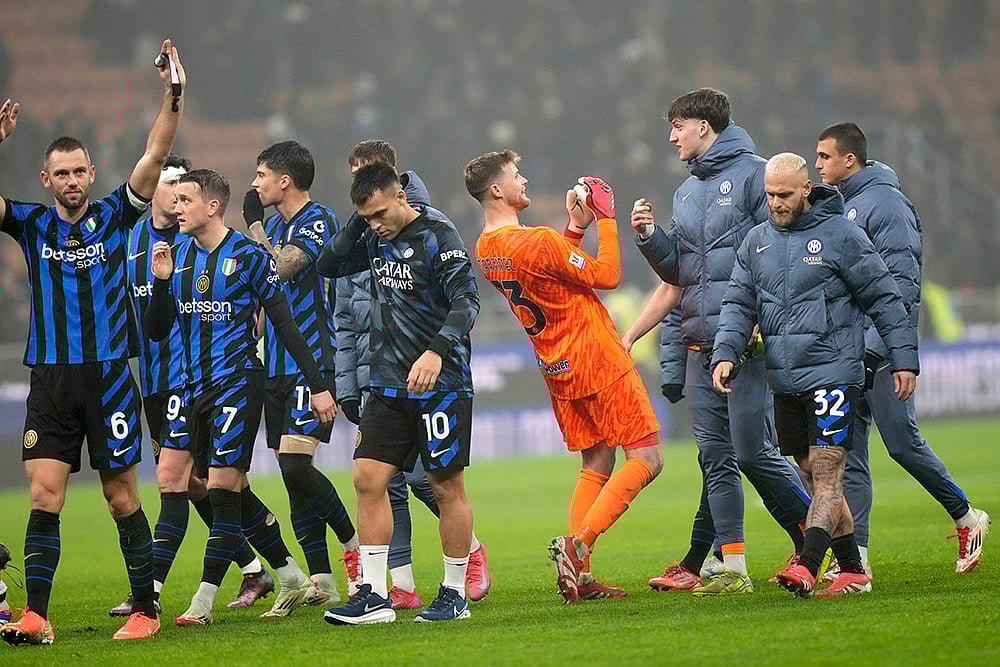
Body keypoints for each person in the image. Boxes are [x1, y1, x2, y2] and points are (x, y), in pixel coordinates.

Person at [0, 39, 185, 645]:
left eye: (81, 171)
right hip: (51, 378)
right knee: (44, 493)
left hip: (108, 377)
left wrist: (172, 95)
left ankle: (146, 611)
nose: (73, 181)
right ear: (45, 179)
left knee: (119, 493)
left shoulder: (116, 214)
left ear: (92, 174)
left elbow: (156, 155)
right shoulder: (29, 223)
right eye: (62, 173)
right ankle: (36, 615)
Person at [711, 153, 918, 598]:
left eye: (784, 195)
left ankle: (807, 564)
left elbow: (884, 297)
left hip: (834, 375)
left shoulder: (842, 235)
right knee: (808, 472)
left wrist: (902, 357)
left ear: (806, 190)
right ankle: (853, 571)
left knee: (827, 473)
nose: (776, 204)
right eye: (769, 195)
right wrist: (725, 352)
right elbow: (737, 304)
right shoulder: (756, 242)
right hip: (786, 379)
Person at [631, 88, 810, 595]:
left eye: (677, 126)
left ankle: (825, 541)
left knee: (754, 453)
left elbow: (777, 254)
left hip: (746, 343)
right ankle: (732, 568)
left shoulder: (757, 175)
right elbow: (680, 273)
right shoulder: (686, 192)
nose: (671, 137)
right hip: (698, 345)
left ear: (702, 128)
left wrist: (755, 322)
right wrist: (649, 238)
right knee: (714, 459)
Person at [467, 150, 663, 603]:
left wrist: (575, 229)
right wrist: (606, 218)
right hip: (595, 354)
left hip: (556, 366)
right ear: (497, 190)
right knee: (648, 459)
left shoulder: (486, 248)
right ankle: (578, 546)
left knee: (596, 462)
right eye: (516, 176)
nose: (524, 180)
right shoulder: (534, 238)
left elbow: (551, 271)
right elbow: (607, 275)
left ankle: (583, 575)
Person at [144, 169, 336, 625]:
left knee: (223, 487)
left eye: (186, 200)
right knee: (179, 479)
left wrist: (318, 383)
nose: (177, 208)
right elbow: (155, 330)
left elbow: (284, 324)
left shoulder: (249, 256)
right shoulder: (181, 258)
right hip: (188, 388)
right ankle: (288, 574)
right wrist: (162, 282)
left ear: (212, 206)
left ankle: (203, 601)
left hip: (236, 384)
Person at [815, 123, 989, 578]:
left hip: (882, 352)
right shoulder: (842, 205)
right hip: (848, 355)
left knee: (902, 445)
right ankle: (858, 559)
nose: (817, 165)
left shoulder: (886, 204)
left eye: (824, 157)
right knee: (847, 455)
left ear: (849, 159)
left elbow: (901, 285)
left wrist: (882, 349)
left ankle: (967, 517)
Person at [318, 163, 479, 624]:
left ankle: (453, 594)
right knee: (368, 479)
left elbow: (467, 301)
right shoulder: (372, 235)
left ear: (402, 197)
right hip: (388, 384)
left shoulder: (439, 235)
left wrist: (434, 353)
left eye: (381, 213)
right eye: (366, 217)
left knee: (446, 486)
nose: (376, 225)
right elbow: (329, 265)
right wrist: (360, 220)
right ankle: (373, 594)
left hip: (441, 384)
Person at [112, 155, 272, 618]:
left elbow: (258, 312)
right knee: (199, 485)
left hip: (206, 382)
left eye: (184, 191)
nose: (176, 198)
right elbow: (146, 320)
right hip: (159, 383)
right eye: (170, 189)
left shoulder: (214, 251)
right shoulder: (138, 244)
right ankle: (265, 567)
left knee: (193, 485)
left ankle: (155, 591)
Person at [243, 140, 361, 605]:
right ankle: (322, 580)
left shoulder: (318, 220)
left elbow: (279, 269)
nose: (255, 184)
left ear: (284, 180)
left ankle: (354, 548)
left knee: (295, 463)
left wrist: (252, 227)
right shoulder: (275, 224)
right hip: (273, 365)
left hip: (311, 362)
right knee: (292, 475)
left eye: (260, 175)